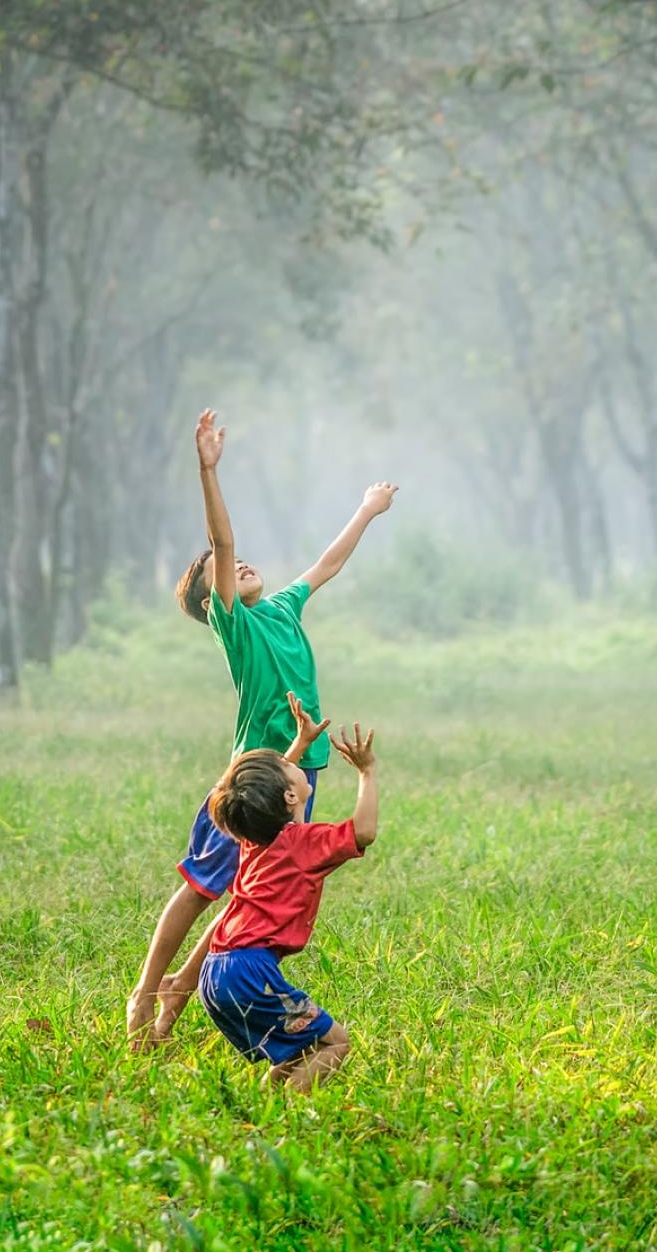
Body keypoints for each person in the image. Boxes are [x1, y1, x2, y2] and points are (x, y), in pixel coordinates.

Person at [126, 408, 397, 1048]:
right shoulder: (236, 625)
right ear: (209, 600)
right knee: (201, 887)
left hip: (299, 772)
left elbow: (327, 564)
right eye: (221, 570)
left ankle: (169, 1013)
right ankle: (145, 995)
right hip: (254, 776)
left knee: (249, 899)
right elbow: (221, 542)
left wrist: (366, 510)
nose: (239, 563)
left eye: (243, 562)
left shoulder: (279, 607)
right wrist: (208, 469)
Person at [198, 693, 377, 1093]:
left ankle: (265, 1103)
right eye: (286, 765)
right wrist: (367, 773)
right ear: (290, 797)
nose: (290, 761)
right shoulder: (303, 844)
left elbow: (269, 791)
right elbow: (363, 831)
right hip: (249, 974)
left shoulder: (254, 836)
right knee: (336, 1042)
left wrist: (299, 744)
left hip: (215, 972)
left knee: (298, 1049)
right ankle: (285, 1115)